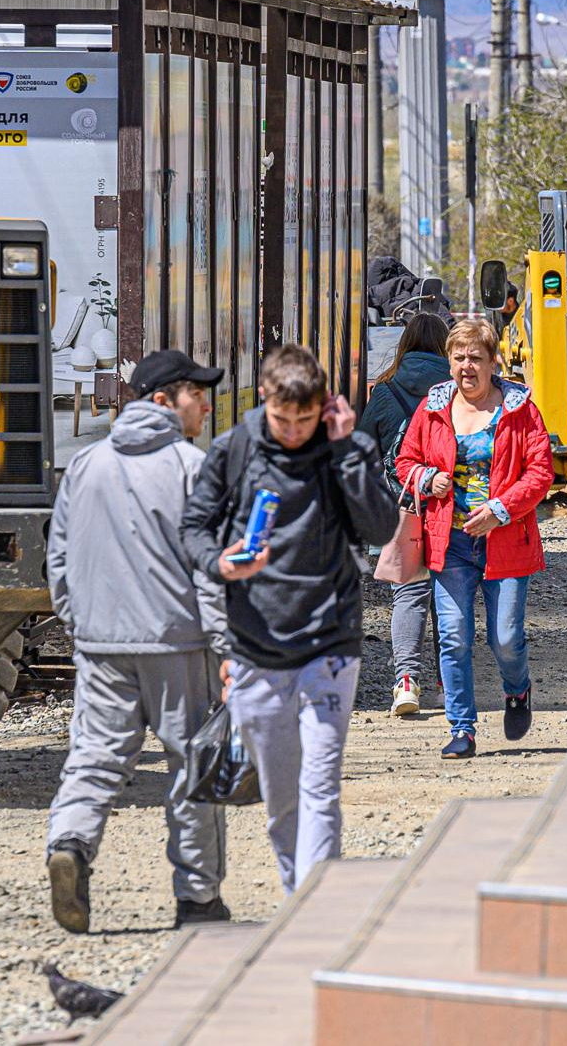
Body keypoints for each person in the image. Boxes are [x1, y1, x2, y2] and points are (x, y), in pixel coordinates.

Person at [180, 344, 399, 894]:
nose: (296, 430)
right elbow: (193, 529)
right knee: (282, 800)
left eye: (307, 419)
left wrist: (348, 447)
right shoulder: (234, 449)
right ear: (265, 401)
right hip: (257, 649)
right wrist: (220, 563)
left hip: (330, 644)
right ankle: (295, 893)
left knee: (320, 785)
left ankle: (313, 911)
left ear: (323, 405)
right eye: (284, 419)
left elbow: (380, 528)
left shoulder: (344, 446)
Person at [46, 349, 233, 935]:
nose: (205, 402)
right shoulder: (191, 466)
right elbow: (210, 569)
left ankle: (70, 843)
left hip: (101, 642)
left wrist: (81, 625)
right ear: (161, 401)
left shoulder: (85, 465)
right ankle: (199, 898)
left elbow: (59, 559)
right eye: (193, 392)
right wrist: (228, 649)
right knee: (191, 768)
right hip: (178, 644)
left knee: (95, 757)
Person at [395, 320, 553, 759]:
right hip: (450, 542)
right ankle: (461, 728)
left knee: (505, 637)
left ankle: (517, 690)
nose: (467, 367)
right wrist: (427, 478)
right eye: (459, 358)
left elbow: (540, 473)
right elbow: (405, 460)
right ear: (449, 362)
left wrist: (500, 509)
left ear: (493, 362)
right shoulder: (433, 408)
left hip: (505, 540)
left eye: (476, 358)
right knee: (453, 635)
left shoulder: (520, 410)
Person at [358, 314, 451, 718]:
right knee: (451, 596)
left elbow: (360, 450)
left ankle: (406, 681)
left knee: (409, 593)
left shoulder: (385, 392)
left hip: (404, 507)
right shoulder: (458, 391)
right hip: (452, 504)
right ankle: (450, 682)